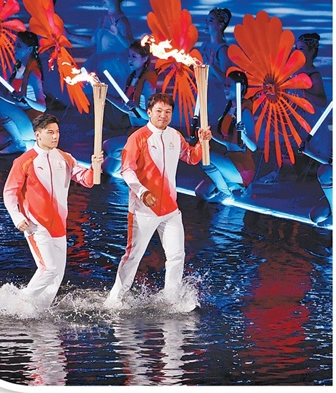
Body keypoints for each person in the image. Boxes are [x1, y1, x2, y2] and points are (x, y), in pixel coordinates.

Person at [104, 93, 212, 310]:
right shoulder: (138, 138)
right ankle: (114, 299)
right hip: (143, 209)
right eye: (159, 111)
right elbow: (127, 170)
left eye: (168, 111)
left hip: (170, 209)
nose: (163, 115)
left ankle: (171, 298)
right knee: (133, 256)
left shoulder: (175, 136)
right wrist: (143, 193)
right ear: (149, 112)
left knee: (176, 255)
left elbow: (191, 157)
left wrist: (203, 142)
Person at [3, 113, 104, 310]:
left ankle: (38, 311)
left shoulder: (65, 158)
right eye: (50, 132)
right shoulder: (24, 161)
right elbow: (9, 192)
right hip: (35, 225)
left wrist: (95, 167)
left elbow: (87, 180)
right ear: (37, 134)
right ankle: (16, 304)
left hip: (59, 225)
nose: (55, 136)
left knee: (57, 275)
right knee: (48, 269)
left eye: (57, 132)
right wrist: (17, 217)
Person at [69, 0, 135, 128]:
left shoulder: (121, 21)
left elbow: (130, 44)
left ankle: (111, 130)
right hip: (99, 63)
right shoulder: (104, 19)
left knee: (110, 99)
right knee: (94, 94)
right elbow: (92, 42)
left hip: (114, 67)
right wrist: (69, 35)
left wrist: (117, 34)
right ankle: (100, 128)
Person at [195, 70, 257, 202]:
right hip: (229, 162)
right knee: (201, 192)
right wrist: (207, 133)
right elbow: (227, 141)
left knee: (202, 154)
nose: (225, 89)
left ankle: (227, 193)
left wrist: (244, 136)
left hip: (242, 166)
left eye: (229, 86)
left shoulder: (245, 112)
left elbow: (253, 147)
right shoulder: (229, 109)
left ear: (240, 88)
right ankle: (236, 186)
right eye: (225, 85)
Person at [102, 40, 158, 175]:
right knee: (107, 170)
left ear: (145, 59)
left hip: (146, 134)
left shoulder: (148, 81)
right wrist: (104, 95)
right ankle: (135, 165)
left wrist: (137, 108)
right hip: (133, 131)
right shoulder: (132, 78)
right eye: (129, 56)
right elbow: (126, 106)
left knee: (109, 147)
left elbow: (151, 116)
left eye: (134, 56)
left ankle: (142, 163)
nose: (129, 59)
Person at [0, 31, 47, 154]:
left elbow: (42, 106)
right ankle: (18, 138)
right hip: (20, 118)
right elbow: (9, 98)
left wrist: (26, 99)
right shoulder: (17, 68)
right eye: (15, 45)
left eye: (19, 46)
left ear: (29, 49)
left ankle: (19, 143)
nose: (14, 49)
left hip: (32, 122)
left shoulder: (33, 72)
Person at [199, 7, 232, 124]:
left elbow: (226, 80)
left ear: (220, 25)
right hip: (203, 95)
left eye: (211, 20)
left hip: (216, 98)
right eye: (206, 20)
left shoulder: (222, 50)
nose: (206, 23)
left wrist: (212, 65)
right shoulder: (204, 46)